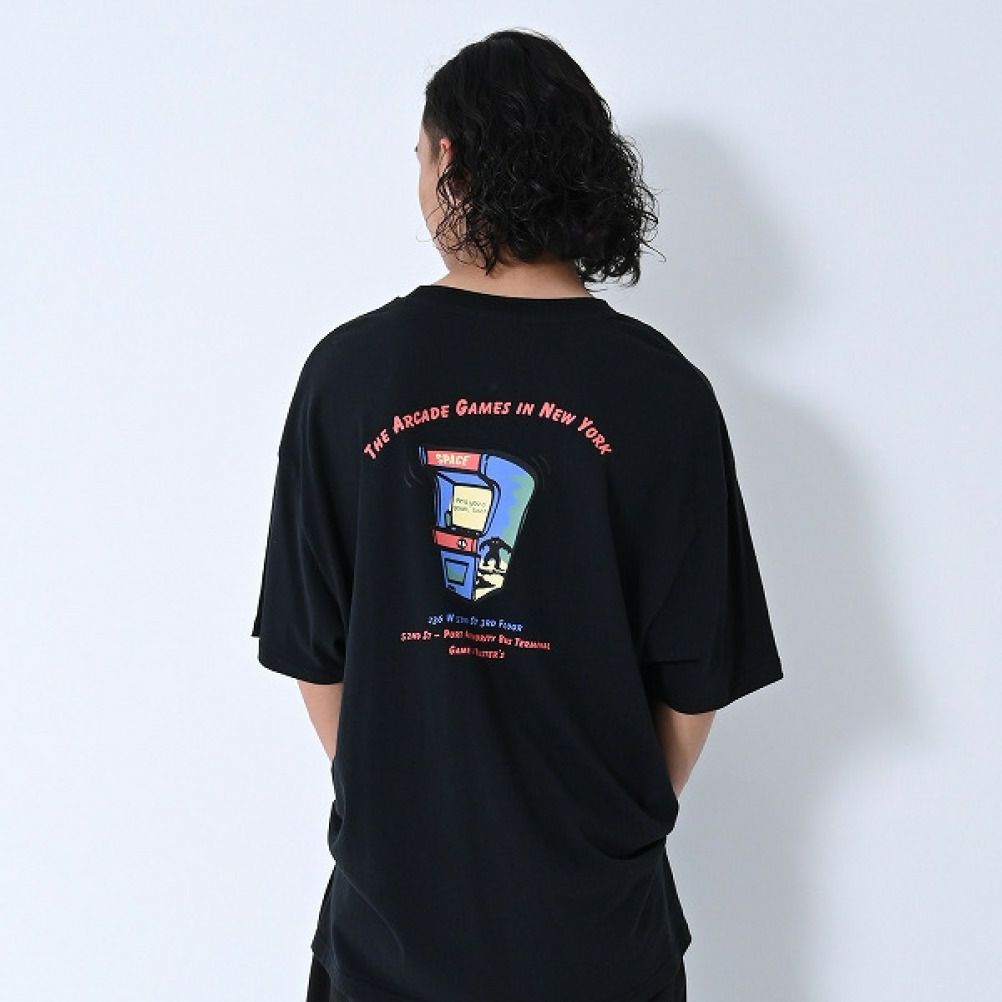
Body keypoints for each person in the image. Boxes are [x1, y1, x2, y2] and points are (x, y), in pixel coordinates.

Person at [251, 28, 783, 1002]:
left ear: (448, 157)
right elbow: (695, 678)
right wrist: (602, 828)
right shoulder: (664, 393)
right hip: (597, 940)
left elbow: (313, 652)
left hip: (390, 938)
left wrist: (405, 812)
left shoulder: (348, 376)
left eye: (418, 155)